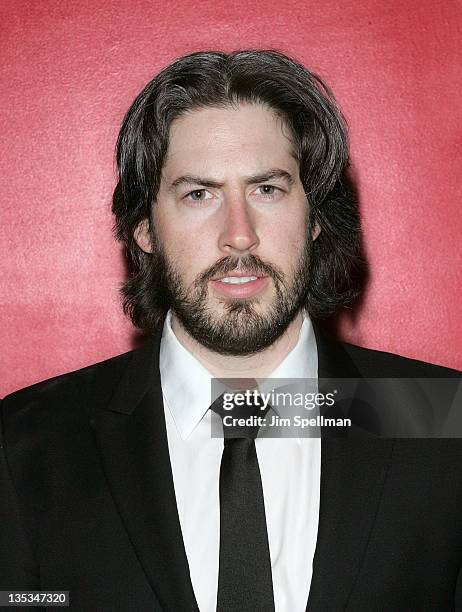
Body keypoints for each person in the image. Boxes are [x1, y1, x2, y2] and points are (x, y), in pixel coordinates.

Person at [1, 50, 461, 612]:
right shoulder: (26, 443)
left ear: (314, 214)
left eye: (267, 189)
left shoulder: (443, 420)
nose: (238, 236)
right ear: (144, 227)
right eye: (199, 195)